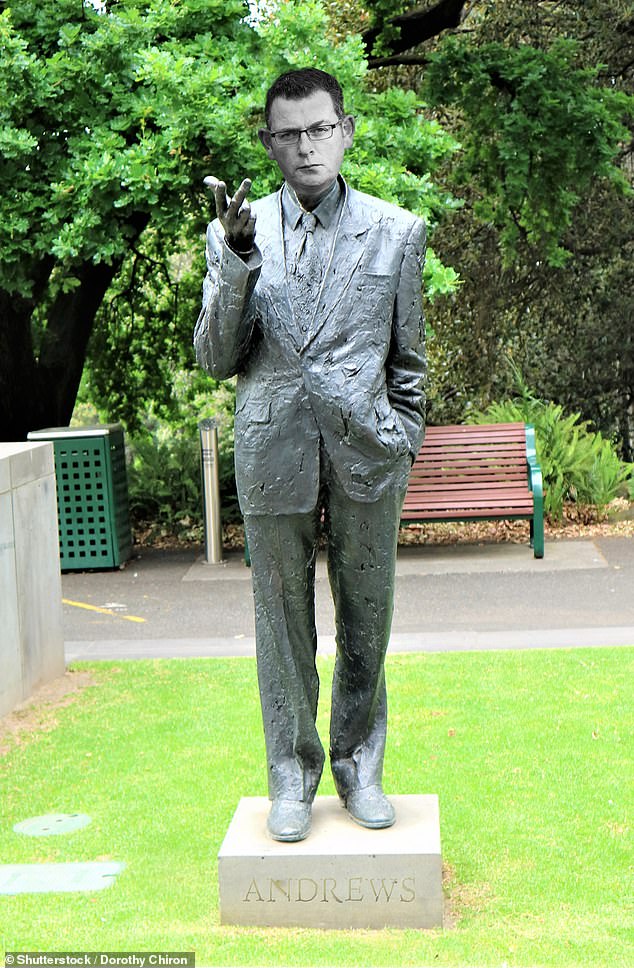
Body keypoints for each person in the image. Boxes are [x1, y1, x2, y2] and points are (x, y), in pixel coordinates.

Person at [194, 67, 426, 843]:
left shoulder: (397, 231)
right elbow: (213, 358)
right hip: (273, 452)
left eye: (320, 129)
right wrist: (233, 262)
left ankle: (361, 767)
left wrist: (399, 440)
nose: (307, 146)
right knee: (280, 623)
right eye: (289, 134)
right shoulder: (238, 230)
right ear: (269, 144)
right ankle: (290, 776)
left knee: (369, 621)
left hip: (368, 455)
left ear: (346, 130)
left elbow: (410, 367)